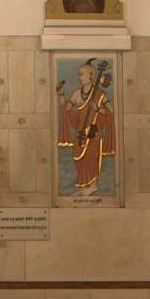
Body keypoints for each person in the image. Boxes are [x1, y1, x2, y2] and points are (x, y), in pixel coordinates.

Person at [57, 58, 116, 196]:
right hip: (80, 133)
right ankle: (85, 186)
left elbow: (110, 111)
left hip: (93, 133)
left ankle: (93, 186)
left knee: (91, 158)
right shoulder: (77, 93)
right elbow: (66, 109)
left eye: (81, 74)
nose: (79, 77)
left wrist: (96, 109)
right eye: (79, 74)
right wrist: (61, 94)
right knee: (79, 158)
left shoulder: (100, 94)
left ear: (90, 76)